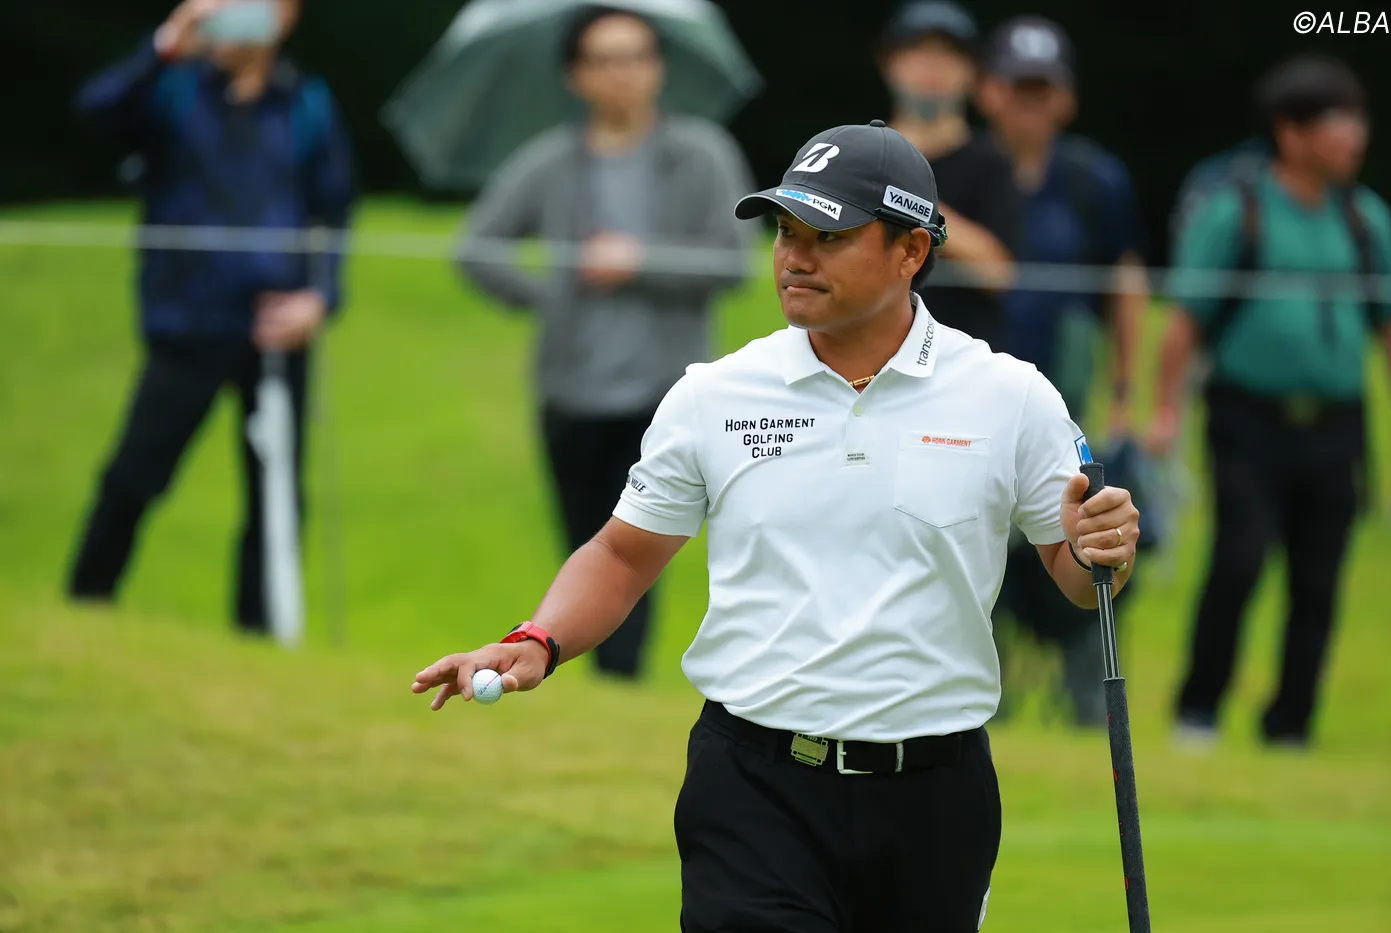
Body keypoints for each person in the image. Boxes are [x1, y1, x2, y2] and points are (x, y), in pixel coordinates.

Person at [414, 121, 1143, 932]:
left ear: (910, 251)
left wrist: (1102, 551)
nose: (796, 257)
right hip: (756, 785)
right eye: (787, 233)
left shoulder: (1010, 396)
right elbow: (621, 554)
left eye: (828, 237)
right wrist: (538, 639)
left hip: (936, 794)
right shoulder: (715, 395)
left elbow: (1079, 579)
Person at [455, 4, 754, 681]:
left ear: (659, 68)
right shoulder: (550, 161)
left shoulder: (701, 154)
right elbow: (476, 246)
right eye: (604, 59)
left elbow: (734, 260)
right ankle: (594, 673)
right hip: (570, 387)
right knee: (581, 542)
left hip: (663, 393)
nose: (623, 73)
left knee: (637, 546)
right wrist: (546, 295)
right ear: (576, 75)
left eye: (637, 56)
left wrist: (638, 260)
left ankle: (619, 680)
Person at [66, 0, 355, 634]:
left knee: (275, 495)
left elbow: (333, 212)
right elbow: (95, 112)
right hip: (186, 322)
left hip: (275, 330)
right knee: (135, 473)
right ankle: (83, 608)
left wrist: (319, 298)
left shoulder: (306, 103)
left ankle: (259, 636)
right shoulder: (173, 90)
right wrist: (167, 43)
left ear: (283, 15)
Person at [1152, 55, 1391, 748]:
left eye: (1357, 119)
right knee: (1239, 558)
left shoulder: (1366, 219)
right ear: (1290, 133)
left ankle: (1291, 724)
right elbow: (1184, 320)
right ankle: (1199, 711)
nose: (1354, 135)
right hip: (1248, 418)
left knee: (1319, 579)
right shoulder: (1238, 210)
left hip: (1337, 425)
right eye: (1336, 121)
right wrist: (1166, 411)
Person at [975, 15, 1150, 726]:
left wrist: (1124, 395)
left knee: (1087, 535)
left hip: (1066, 399)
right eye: (1018, 87)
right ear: (989, 91)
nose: (1030, 103)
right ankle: (983, 697)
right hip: (972, 402)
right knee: (979, 541)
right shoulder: (963, 172)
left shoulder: (1094, 180)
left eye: (1042, 89)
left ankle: (1085, 705)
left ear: (1066, 97)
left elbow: (1125, 283)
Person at [879, 0, 1020, 350]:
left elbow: (999, 273)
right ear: (889, 63)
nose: (932, 64)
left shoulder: (993, 164)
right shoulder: (861, 153)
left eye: (949, 53)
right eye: (917, 49)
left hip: (963, 357)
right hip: (872, 357)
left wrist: (910, 202)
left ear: (973, 72)